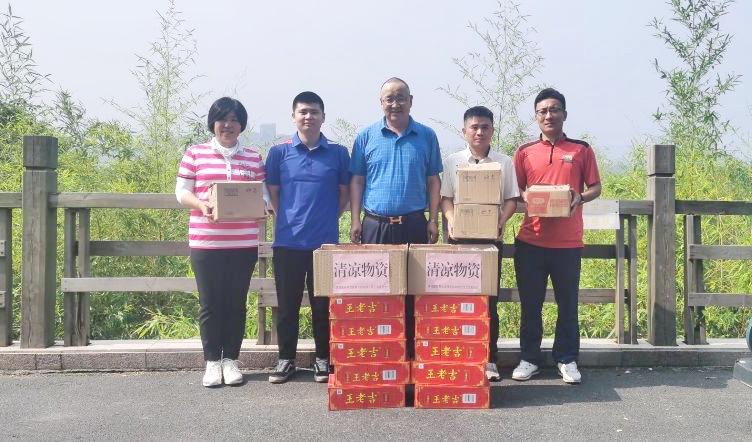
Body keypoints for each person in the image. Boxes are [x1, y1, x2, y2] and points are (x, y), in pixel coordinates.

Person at [511, 88, 602, 384]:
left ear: (564, 113)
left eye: (554, 109)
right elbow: (515, 189)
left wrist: (579, 197)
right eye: (542, 111)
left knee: (568, 304)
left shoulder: (581, 149)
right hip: (531, 241)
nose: (548, 115)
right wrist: (527, 196)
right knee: (530, 305)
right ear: (536, 116)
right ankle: (529, 359)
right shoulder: (524, 151)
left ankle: (567, 359)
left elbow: (595, 187)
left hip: (568, 243)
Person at [176, 97, 266, 387]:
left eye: (234, 120)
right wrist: (201, 205)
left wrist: (264, 208)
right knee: (210, 303)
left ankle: (231, 360)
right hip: (207, 243)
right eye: (222, 119)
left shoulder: (253, 157)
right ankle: (212, 361)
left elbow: (263, 194)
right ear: (212, 123)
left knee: (236, 303)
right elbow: (182, 192)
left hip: (243, 244)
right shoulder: (195, 153)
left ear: (242, 125)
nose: (228, 125)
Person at [350, 77, 442, 357]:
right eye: (389, 98)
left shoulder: (426, 136)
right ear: (381, 103)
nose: (395, 103)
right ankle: (380, 352)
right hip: (375, 225)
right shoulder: (366, 136)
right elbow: (357, 181)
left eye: (401, 97)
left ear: (411, 101)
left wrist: (433, 219)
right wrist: (355, 220)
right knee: (376, 291)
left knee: (415, 291)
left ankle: (412, 352)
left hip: (414, 223)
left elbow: (433, 181)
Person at [265, 92, 351, 384]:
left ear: (323, 117)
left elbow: (344, 194)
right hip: (287, 242)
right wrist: (288, 219)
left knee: (323, 306)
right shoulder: (279, 153)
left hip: (325, 244)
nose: (308, 117)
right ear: (293, 117)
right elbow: (273, 194)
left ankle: (323, 359)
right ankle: (285, 359)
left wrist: (327, 218)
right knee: (286, 306)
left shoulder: (338, 153)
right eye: (302, 112)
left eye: (314, 112)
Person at [440, 105, 518, 382]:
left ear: (492, 131)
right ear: (464, 131)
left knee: (488, 303)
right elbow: (446, 198)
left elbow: (512, 199)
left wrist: (501, 221)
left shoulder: (504, 162)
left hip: (490, 241)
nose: (479, 132)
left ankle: (489, 359)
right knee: (458, 301)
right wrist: (451, 220)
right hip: (459, 242)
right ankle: (460, 357)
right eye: (474, 127)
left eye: (485, 127)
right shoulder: (452, 161)